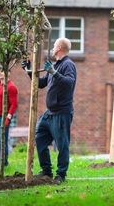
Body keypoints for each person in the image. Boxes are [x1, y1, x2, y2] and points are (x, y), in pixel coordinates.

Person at [21, 37, 77, 185]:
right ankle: (46, 171)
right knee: (39, 138)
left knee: (62, 145)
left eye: (54, 46)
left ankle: (61, 175)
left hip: (62, 113)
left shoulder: (68, 65)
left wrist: (54, 73)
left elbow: (69, 83)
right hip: (49, 113)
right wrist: (28, 70)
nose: (52, 48)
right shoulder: (55, 65)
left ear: (59, 48)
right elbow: (40, 84)